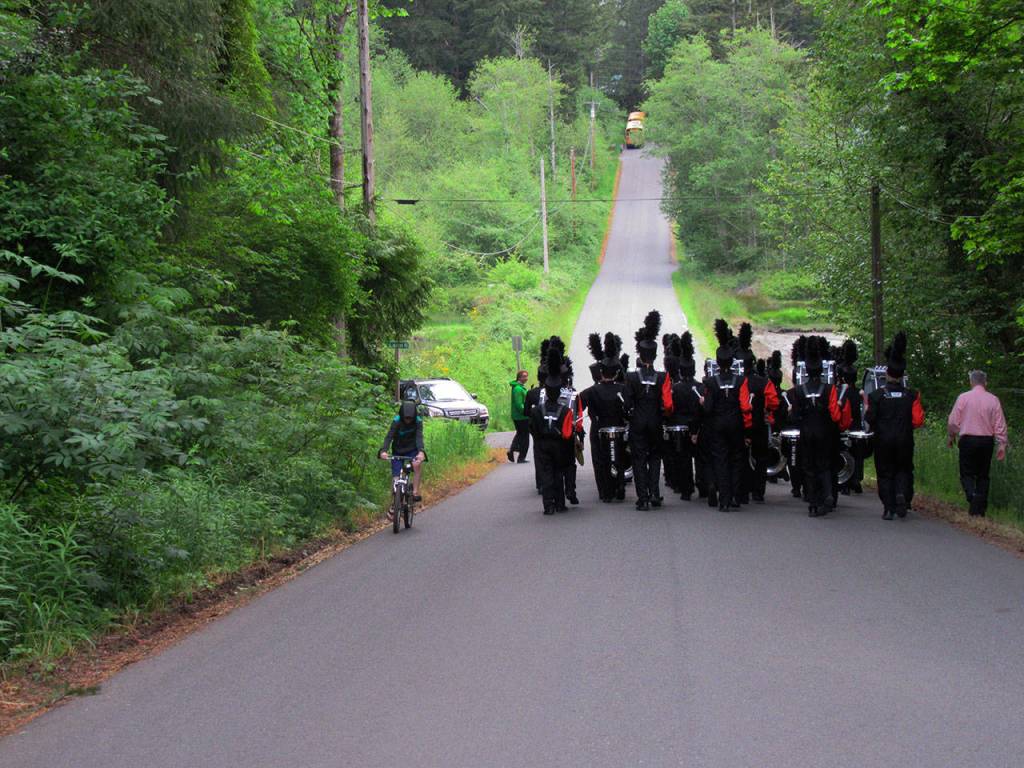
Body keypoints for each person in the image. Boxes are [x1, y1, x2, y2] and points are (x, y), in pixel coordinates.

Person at [789, 336, 851, 517]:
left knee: (809, 468)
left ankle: (813, 503)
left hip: (807, 433)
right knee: (824, 466)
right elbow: (834, 414)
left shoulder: (799, 391)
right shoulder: (831, 390)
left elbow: (795, 416)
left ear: (806, 371)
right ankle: (828, 495)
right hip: (825, 432)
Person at [866, 331, 925, 520]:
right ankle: (902, 495)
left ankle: (888, 507)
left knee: (884, 472)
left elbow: (869, 418)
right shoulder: (912, 395)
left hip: (883, 440)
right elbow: (917, 420)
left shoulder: (876, 395)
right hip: (905, 440)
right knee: (903, 469)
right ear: (902, 375)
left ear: (886, 373)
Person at [701, 320, 752, 511]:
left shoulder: (711, 382)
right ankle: (735, 497)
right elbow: (745, 406)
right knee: (737, 460)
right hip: (736, 424)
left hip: (717, 426)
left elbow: (707, 409)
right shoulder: (741, 381)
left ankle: (724, 500)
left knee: (720, 461)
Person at [626, 310, 673, 510]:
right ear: (655, 356)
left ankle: (642, 497)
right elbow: (668, 404)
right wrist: (664, 415)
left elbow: (627, 403)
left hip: (637, 421)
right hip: (655, 421)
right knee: (655, 457)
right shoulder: (663, 377)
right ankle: (655, 493)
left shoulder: (631, 377)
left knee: (638, 459)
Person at [947, 369, 1008, 516]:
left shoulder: (963, 398)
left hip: (968, 440)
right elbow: (999, 424)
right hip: (986, 441)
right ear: (985, 383)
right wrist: (1002, 443)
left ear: (971, 382)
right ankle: (980, 508)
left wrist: (951, 436)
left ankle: (972, 496)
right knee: (983, 475)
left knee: (966, 473)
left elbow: (954, 421)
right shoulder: (993, 400)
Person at [580, 332, 631, 502]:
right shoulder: (622, 389)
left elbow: (578, 403)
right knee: (622, 456)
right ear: (616, 373)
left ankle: (605, 491)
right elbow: (629, 407)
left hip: (599, 428)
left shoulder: (592, 390)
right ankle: (620, 485)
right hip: (620, 428)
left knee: (600, 461)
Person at [737, 323, 779, 504]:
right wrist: (766, 410)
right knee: (760, 458)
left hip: (740, 424)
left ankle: (743, 490)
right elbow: (774, 402)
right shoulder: (763, 382)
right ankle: (758, 491)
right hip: (759, 424)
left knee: (741, 457)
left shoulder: (735, 382)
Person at [530, 347, 575, 514]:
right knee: (558, 473)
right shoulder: (566, 411)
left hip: (542, 445)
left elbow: (532, 428)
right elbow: (568, 432)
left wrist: (540, 438)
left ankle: (548, 505)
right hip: (559, 445)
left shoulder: (536, 411)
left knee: (546, 474)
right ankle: (560, 503)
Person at [668, 332, 703, 501]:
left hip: (680, 426)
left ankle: (686, 489)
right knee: (701, 458)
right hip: (698, 427)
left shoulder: (675, 388)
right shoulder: (701, 387)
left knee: (683, 459)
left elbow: (670, 408)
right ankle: (703, 485)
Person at [378, 400, 426, 502]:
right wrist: (384, 450)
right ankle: (394, 503)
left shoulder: (418, 421)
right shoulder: (396, 421)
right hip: (398, 450)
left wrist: (421, 452)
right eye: (406, 418)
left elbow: (419, 437)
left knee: (417, 465)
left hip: (412, 449)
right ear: (402, 415)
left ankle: (415, 492)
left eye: (410, 419)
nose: (408, 421)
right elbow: (389, 436)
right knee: (395, 478)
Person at [508, 370, 530, 463]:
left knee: (520, 434)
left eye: (526, 376)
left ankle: (512, 450)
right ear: (519, 377)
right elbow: (519, 404)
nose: (526, 378)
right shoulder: (518, 389)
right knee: (525, 437)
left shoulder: (519, 388)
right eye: (524, 376)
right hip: (521, 417)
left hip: (520, 416)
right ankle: (521, 457)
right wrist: (526, 412)